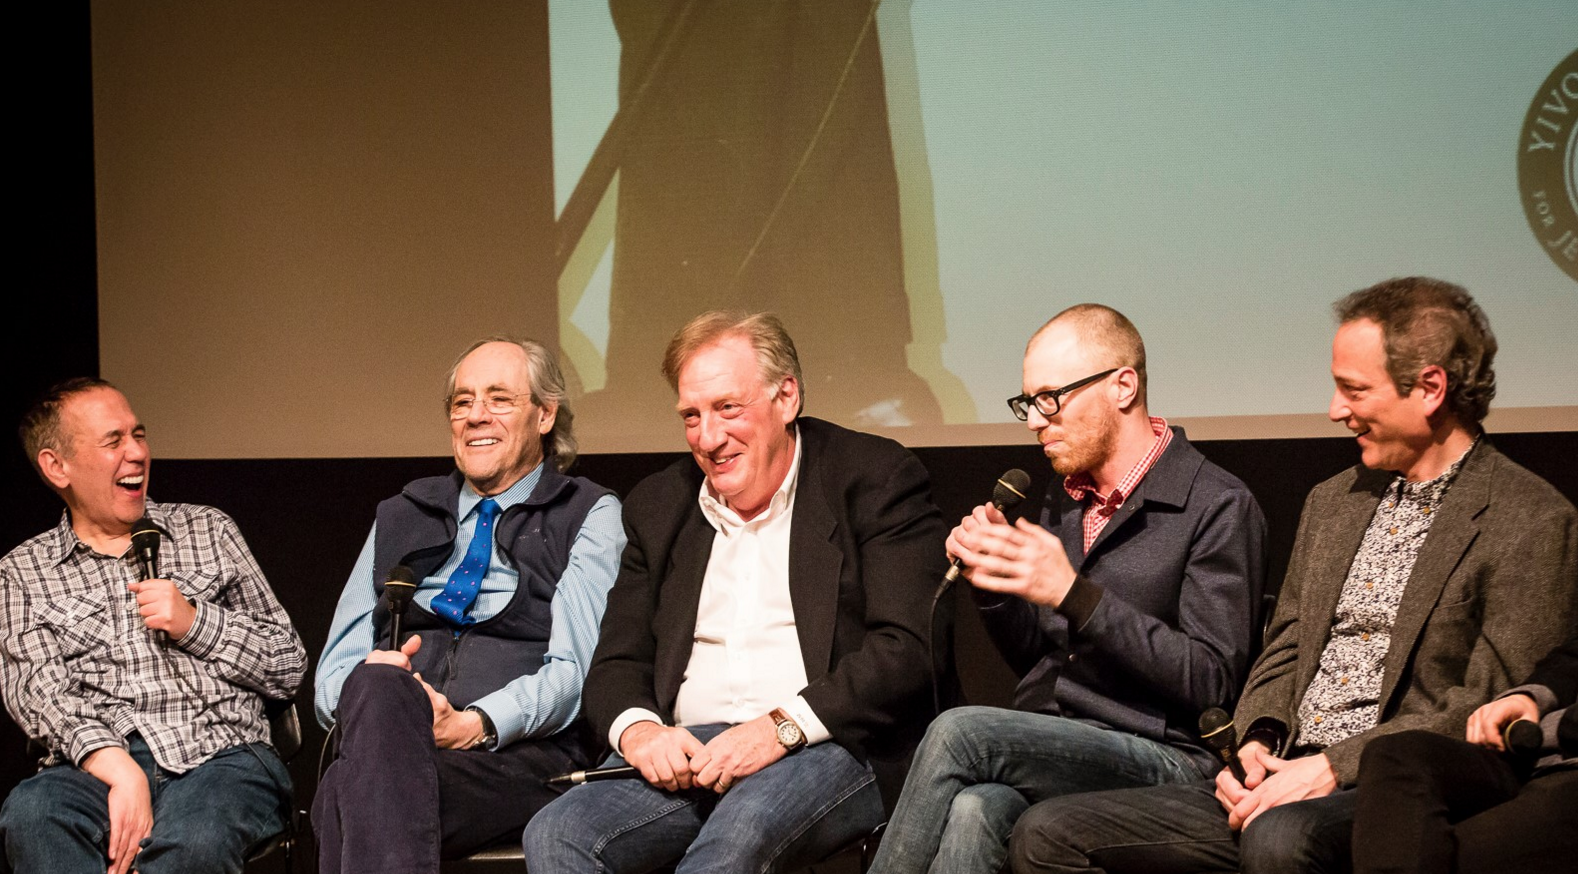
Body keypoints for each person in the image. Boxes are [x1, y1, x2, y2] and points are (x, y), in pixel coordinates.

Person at [1006, 277, 1578, 874]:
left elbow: (1484, 709)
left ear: (1431, 389)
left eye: (1354, 390)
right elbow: (1284, 649)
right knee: (1047, 833)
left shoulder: (1530, 520)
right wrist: (1258, 740)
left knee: (1279, 837)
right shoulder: (1335, 502)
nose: (1335, 410)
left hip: (1395, 791)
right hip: (1283, 771)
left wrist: (1332, 766)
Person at [523, 311, 948, 872]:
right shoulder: (660, 504)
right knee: (557, 832)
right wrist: (642, 732)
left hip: (833, 739)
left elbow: (908, 649)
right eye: (691, 416)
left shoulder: (872, 477)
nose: (708, 438)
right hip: (693, 750)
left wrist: (780, 728)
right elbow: (618, 661)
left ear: (786, 397)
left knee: (737, 834)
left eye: (728, 408)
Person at [868, 304, 1267, 874]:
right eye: (1028, 402)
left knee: (959, 732)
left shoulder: (1216, 504)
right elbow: (1041, 658)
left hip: (1164, 752)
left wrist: (1073, 594)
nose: (1035, 420)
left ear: (1122, 386)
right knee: (979, 808)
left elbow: (1212, 681)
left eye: (1050, 398)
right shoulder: (1066, 500)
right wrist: (994, 584)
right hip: (1063, 736)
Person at [312, 338, 625, 873]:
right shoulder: (401, 513)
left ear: (545, 415)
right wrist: (393, 709)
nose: (476, 416)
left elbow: (575, 674)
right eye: (462, 402)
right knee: (377, 681)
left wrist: (474, 723)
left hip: (518, 758)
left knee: (345, 791)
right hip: (393, 739)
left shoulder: (588, 513)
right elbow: (333, 675)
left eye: (499, 399)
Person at [0, 378, 307, 874]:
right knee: (32, 815)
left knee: (193, 842)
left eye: (138, 435)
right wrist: (121, 770)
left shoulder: (208, 530)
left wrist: (195, 622)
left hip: (222, 757)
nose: (137, 453)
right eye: (113, 441)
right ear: (57, 467)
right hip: (96, 766)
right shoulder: (22, 571)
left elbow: (288, 664)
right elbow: (38, 691)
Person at [1350, 632, 1578, 874]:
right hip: (1536, 757)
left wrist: (1551, 727)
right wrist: (1528, 697)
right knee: (1396, 752)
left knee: (1447, 852)